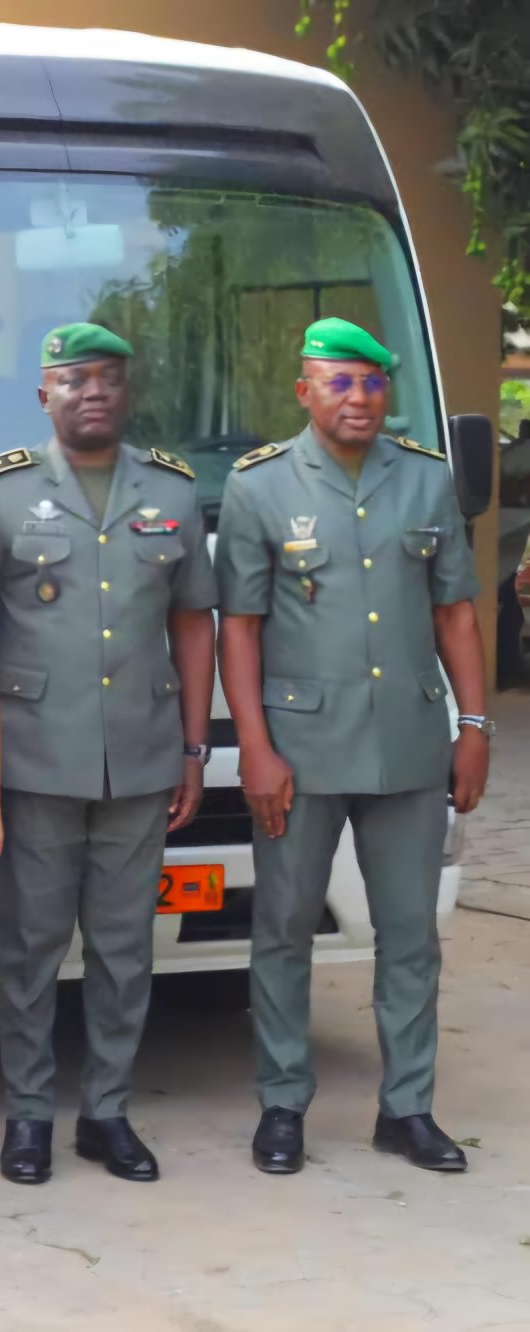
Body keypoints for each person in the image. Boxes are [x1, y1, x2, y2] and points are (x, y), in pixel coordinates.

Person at [215, 317, 488, 1176]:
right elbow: (240, 629)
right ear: (304, 392)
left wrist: (473, 726)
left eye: (371, 383)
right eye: (338, 381)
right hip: (299, 751)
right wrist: (255, 747)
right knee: (284, 929)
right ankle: (283, 1104)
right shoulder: (258, 487)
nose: (358, 397)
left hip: (409, 747)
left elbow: (455, 613)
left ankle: (406, 1109)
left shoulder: (427, 482)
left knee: (411, 938)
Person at [0, 324, 217, 1186]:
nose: (92, 391)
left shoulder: (170, 490)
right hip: (33, 758)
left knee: (124, 946)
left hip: (140, 756)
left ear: (126, 392)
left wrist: (194, 745)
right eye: (74, 380)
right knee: (29, 945)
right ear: (45, 397)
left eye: (107, 378)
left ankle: (107, 1113)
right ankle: (28, 1115)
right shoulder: (5, 489)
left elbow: (191, 620)